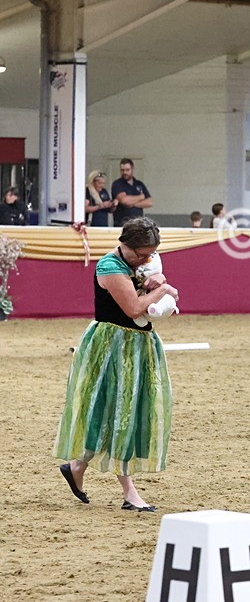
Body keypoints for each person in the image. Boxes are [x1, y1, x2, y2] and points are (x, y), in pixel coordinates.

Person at [55, 218, 178, 512]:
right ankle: (129, 492)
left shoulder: (143, 265)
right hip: (112, 347)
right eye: (141, 254)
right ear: (125, 245)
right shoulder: (110, 267)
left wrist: (159, 285)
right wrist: (164, 290)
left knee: (122, 412)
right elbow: (134, 308)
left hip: (139, 345)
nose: (147, 259)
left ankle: (76, 467)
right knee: (122, 412)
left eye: (150, 254)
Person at [111, 158, 153, 226]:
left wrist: (132, 204)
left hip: (138, 225)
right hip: (122, 225)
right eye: (122, 170)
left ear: (132, 169)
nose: (125, 172)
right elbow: (124, 200)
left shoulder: (139, 184)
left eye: (127, 170)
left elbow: (149, 202)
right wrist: (141, 197)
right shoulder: (117, 184)